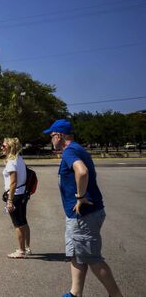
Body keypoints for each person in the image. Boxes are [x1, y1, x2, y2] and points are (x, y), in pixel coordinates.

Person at [44, 119, 123, 297]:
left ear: (60, 135)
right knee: (77, 254)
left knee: (91, 257)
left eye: (51, 136)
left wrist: (80, 197)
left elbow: (82, 171)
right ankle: (75, 293)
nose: (50, 139)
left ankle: (116, 295)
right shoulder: (74, 149)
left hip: (84, 215)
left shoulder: (70, 151)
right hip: (79, 215)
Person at [1, 137, 31, 259]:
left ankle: (21, 250)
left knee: (17, 224)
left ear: (10, 147)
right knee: (23, 222)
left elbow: (13, 182)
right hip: (22, 194)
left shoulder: (11, 162)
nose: (1, 148)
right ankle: (27, 248)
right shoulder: (19, 159)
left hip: (16, 196)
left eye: (3, 146)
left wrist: (9, 200)